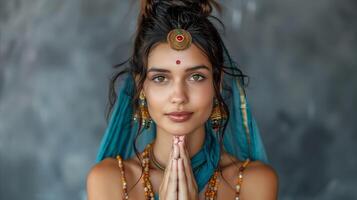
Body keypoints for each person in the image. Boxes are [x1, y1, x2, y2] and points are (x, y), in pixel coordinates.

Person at [86, 0, 278, 199]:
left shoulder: (252, 182)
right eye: (160, 78)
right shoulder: (109, 181)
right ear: (141, 86)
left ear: (217, 82)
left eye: (196, 77)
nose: (179, 96)